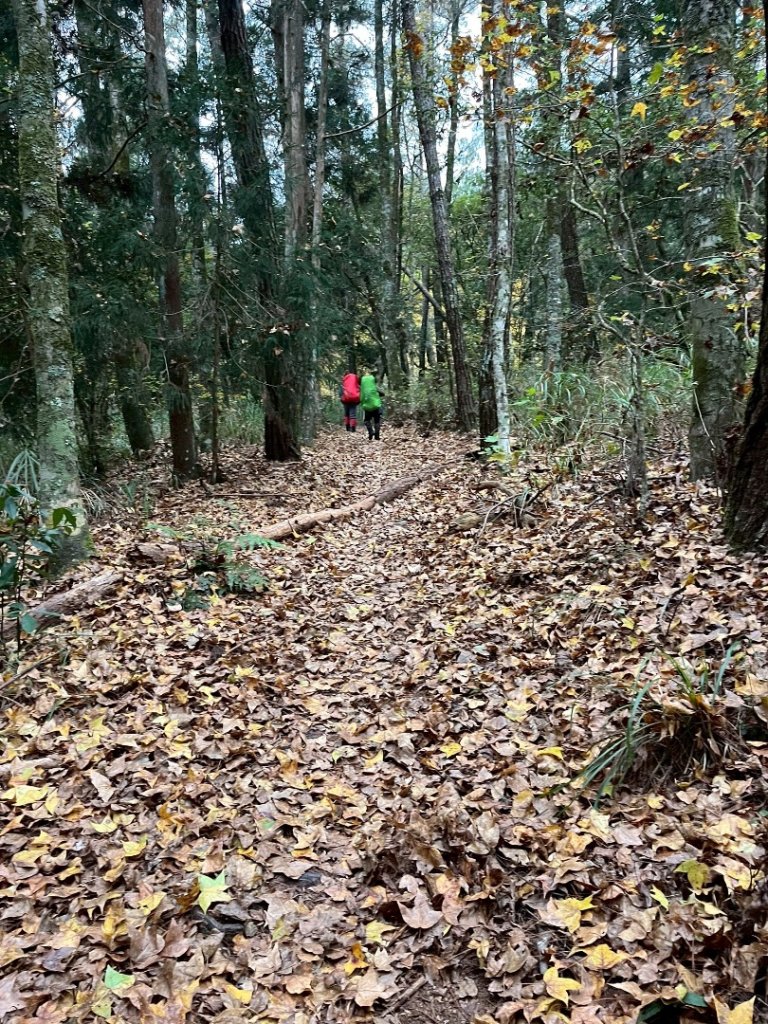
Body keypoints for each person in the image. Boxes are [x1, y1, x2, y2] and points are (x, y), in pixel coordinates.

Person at [360, 371, 384, 441]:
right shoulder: (374, 387)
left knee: (367, 420)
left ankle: (371, 432)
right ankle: (377, 436)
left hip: (367, 408)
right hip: (376, 406)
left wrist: (363, 403)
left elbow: (361, 398)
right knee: (377, 421)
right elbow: (382, 393)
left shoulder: (363, 389)